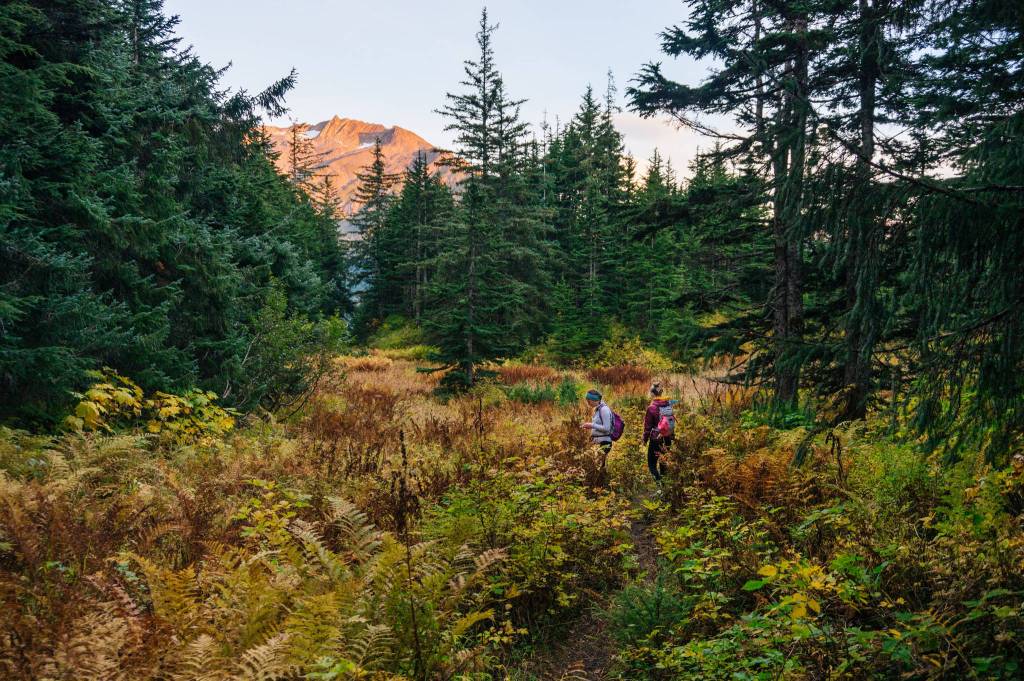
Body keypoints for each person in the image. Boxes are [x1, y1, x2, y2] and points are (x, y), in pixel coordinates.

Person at [642, 382, 674, 482]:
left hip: (656, 439)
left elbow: (647, 427)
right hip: (667, 438)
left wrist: (644, 440)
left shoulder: (651, 408)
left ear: (652, 394)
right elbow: (671, 421)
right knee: (663, 464)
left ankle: (660, 484)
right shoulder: (668, 405)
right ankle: (664, 489)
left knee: (652, 465)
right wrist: (672, 435)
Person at [582, 388, 614, 483]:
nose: (587, 403)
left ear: (594, 400)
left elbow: (607, 428)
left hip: (604, 443)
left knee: (600, 469)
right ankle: (601, 486)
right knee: (598, 468)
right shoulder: (598, 409)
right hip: (599, 443)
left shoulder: (604, 409)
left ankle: (603, 487)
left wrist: (591, 425)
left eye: (588, 400)